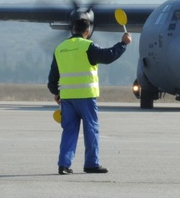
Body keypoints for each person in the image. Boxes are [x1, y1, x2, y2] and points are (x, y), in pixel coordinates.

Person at [48, 18, 131, 175]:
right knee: (91, 129)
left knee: (69, 131)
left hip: (67, 98)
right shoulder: (88, 46)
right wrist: (123, 44)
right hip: (86, 96)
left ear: (73, 29)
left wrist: (56, 93)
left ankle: (64, 165)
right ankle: (91, 164)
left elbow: (53, 76)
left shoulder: (60, 48)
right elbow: (108, 56)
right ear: (87, 31)